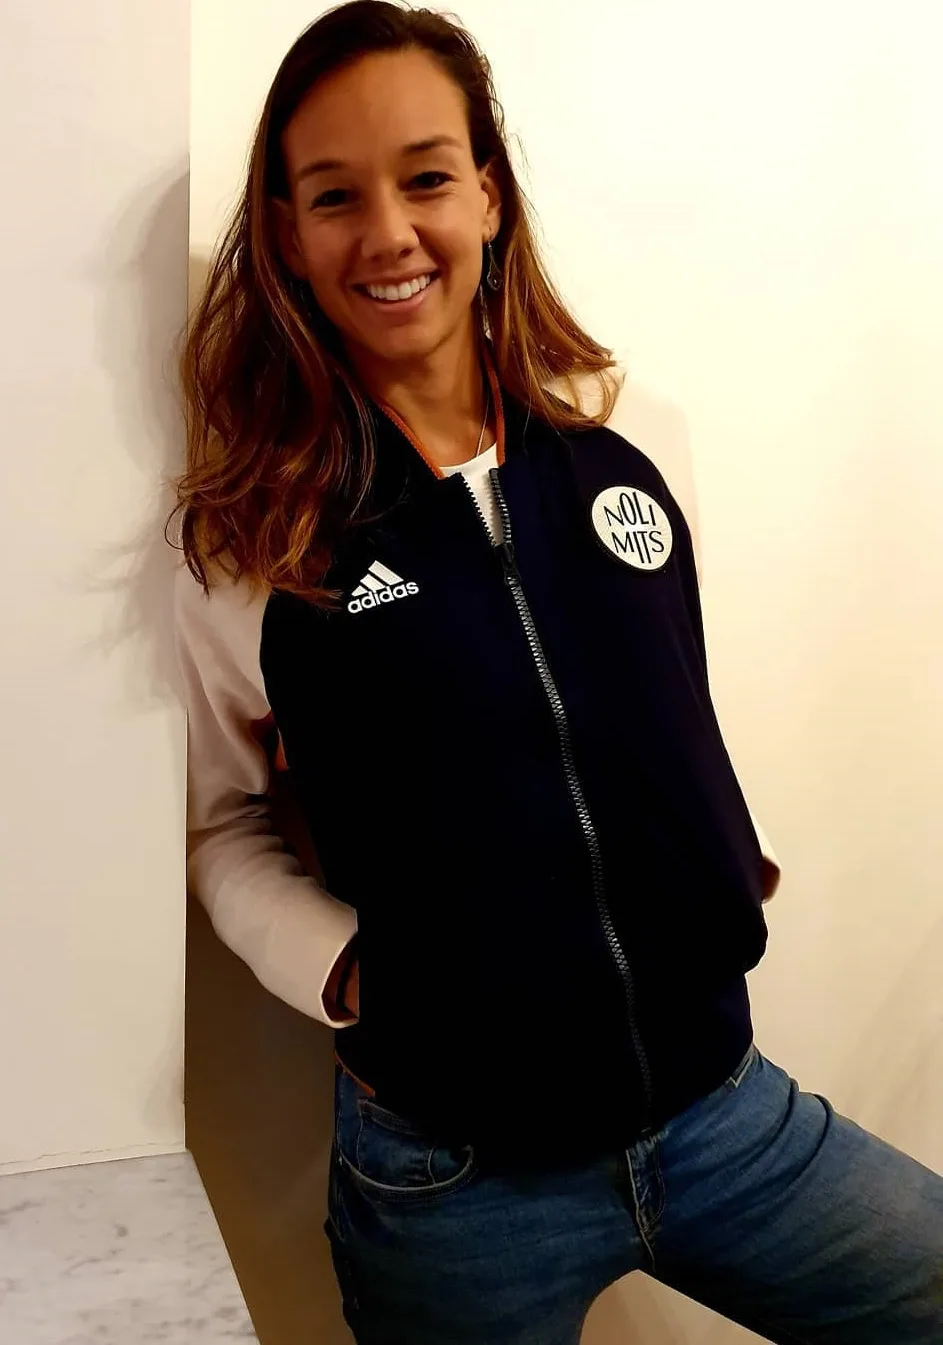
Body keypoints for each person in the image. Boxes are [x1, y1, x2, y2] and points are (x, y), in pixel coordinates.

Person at [172, 4, 943, 1342]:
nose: (389, 233)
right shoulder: (254, 544)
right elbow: (218, 819)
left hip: (720, 1111)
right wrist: (347, 972)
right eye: (336, 196)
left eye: (425, 177)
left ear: (488, 191)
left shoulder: (630, 439)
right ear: (288, 235)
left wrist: (720, 852)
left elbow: (659, 697)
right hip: (454, 1182)